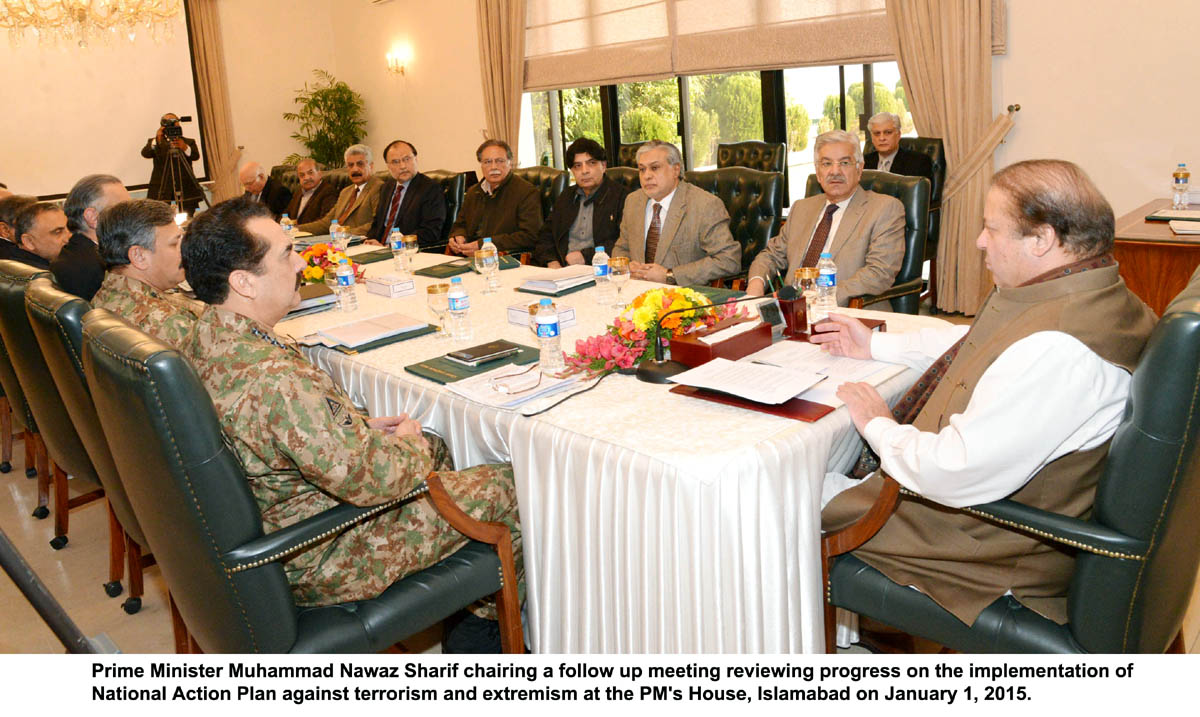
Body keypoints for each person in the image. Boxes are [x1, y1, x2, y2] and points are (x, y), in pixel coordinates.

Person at [814, 159, 1157, 628]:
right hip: (997, 516)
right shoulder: (1088, 292)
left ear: (1042, 239)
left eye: (990, 229)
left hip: (983, 547)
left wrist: (878, 424)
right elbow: (980, 341)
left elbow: (949, 470)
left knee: (782, 493)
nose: (979, 241)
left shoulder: (1058, 350)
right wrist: (873, 343)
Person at [180, 198, 523, 651]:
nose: (302, 261)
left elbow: (289, 434)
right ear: (243, 282)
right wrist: (407, 443)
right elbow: (373, 481)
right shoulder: (276, 378)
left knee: (439, 448)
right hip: (320, 551)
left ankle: (462, 614)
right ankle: (486, 645)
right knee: (508, 483)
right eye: (286, 254)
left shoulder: (204, 335)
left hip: (276, 523)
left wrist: (358, 428)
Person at [745, 130, 904, 306]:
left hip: (849, 312)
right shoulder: (801, 208)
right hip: (792, 310)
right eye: (826, 163)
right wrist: (756, 284)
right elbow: (772, 255)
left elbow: (879, 273)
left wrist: (819, 297)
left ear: (859, 168)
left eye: (844, 162)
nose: (835, 171)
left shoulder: (885, 208)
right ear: (818, 172)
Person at [613, 140, 740, 286]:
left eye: (654, 168)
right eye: (642, 169)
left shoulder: (704, 205)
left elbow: (729, 260)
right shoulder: (633, 202)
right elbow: (621, 248)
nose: (646, 176)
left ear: (676, 170)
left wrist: (670, 275)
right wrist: (627, 267)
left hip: (684, 297)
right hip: (636, 292)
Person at [93, 199, 199, 349]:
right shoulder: (169, 324)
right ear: (139, 256)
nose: (184, 251)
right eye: (174, 244)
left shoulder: (105, 295)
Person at [532, 137, 630, 268]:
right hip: (562, 270)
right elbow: (545, 236)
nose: (584, 171)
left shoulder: (622, 197)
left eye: (591, 163)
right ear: (572, 171)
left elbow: (625, 243)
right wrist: (551, 262)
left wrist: (586, 256)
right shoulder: (566, 196)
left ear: (604, 166)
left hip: (602, 270)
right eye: (578, 166)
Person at [447, 139, 541, 256]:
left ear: (510, 163)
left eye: (500, 161)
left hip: (503, 259)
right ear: (481, 165)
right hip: (468, 256)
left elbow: (530, 236)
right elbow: (460, 224)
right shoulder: (473, 192)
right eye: (487, 162)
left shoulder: (526, 192)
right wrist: (458, 236)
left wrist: (484, 245)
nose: (493, 167)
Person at [52, 174, 131, 300]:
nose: (133, 217)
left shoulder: (73, 254)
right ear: (93, 217)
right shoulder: (98, 269)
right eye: (123, 210)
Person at [365, 139, 446, 250]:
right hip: (380, 250)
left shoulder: (430, 188)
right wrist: (370, 241)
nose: (403, 166)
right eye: (395, 162)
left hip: (407, 252)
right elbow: (378, 223)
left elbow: (430, 232)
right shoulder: (386, 187)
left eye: (407, 159)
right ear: (388, 166)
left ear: (416, 159)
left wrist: (392, 246)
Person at [296, 144, 382, 237]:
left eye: (360, 164)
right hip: (336, 240)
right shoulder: (346, 192)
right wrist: (296, 229)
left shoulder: (378, 187)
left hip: (357, 242)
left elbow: (376, 223)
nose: (355, 169)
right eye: (350, 165)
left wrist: (343, 234)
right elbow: (326, 223)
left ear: (371, 166)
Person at [141, 113, 203, 214]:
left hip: (186, 188)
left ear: (179, 124)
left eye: (174, 122)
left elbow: (195, 156)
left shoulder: (188, 142)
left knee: (188, 217)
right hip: (162, 188)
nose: (171, 125)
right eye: (168, 122)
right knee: (159, 217)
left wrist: (185, 147)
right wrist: (157, 139)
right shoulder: (156, 142)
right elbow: (145, 153)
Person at [863, 112, 935, 182]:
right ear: (872, 138)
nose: (882, 138)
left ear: (898, 135)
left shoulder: (918, 162)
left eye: (888, 132)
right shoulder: (863, 162)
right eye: (877, 133)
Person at [2, 202, 69, 269]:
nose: (69, 237)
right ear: (29, 242)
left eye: (70, 229)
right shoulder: (44, 275)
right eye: (58, 232)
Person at [283, 158, 338, 225]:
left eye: (310, 173)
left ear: (320, 174)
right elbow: (286, 214)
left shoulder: (328, 192)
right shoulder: (299, 192)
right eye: (302, 175)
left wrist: (297, 227)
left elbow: (324, 222)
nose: (306, 178)